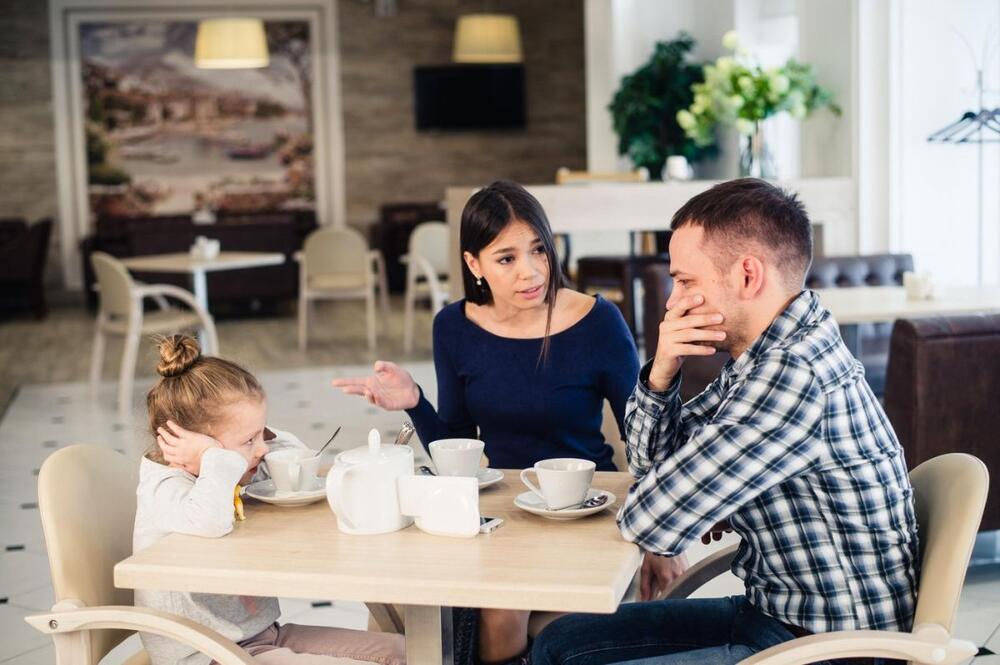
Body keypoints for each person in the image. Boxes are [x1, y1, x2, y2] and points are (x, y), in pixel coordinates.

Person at [532, 178, 919, 665]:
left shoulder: (793, 375)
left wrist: (690, 494)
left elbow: (651, 520)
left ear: (748, 276)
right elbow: (650, 464)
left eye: (686, 281)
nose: (673, 302)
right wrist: (662, 369)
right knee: (560, 642)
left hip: (833, 649)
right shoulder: (765, 356)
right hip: (777, 616)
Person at [332, 181, 648, 663]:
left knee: (501, 605)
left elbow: (644, 436)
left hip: (581, 512)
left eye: (539, 250)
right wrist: (416, 401)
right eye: (507, 258)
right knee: (394, 595)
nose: (531, 271)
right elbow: (457, 449)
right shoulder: (455, 327)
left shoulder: (598, 321)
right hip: (499, 515)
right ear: (473, 264)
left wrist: (664, 537)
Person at [136, 334, 407, 665]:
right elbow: (208, 520)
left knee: (405, 653)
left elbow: (293, 457)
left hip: (260, 637)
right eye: (249, 440)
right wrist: (214, 457)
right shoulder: (165, 487)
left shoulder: (235, 470)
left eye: (261, 433)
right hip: (206, 654)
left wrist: (251, 441)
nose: (261, 449)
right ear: (185, 442)